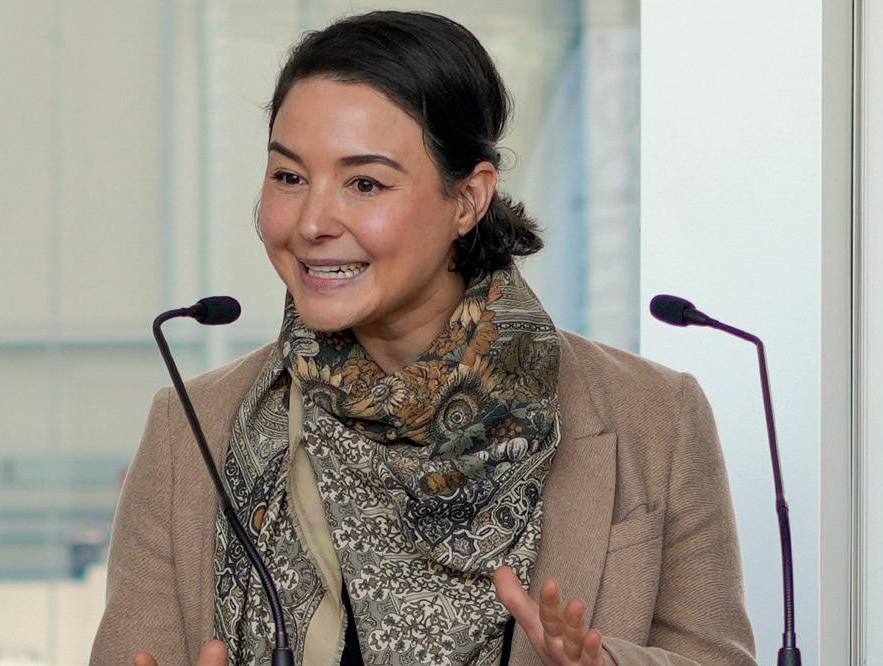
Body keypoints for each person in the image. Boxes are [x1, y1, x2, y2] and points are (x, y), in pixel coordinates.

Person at [90, 10, 754, 666]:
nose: (313, 222)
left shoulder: (654, 418)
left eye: (364, 183)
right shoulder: (190, 429)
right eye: (289, 177)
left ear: (468, 199)